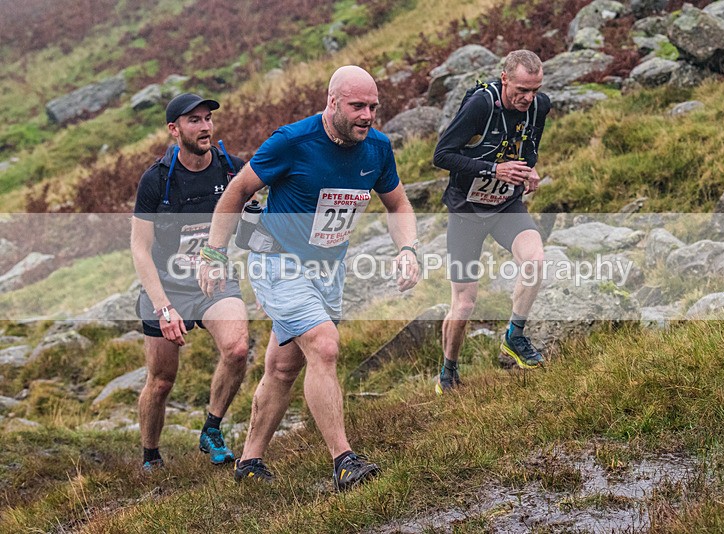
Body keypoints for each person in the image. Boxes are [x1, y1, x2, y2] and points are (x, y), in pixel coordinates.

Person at [198, 66, 420, 491]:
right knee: (324, 344)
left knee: (283, 367)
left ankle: (249, 461)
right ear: (333, 102)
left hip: (327, 269)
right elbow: (237, 191)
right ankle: (345, 461)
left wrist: (407, 249)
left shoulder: (377, 148)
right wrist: (213, 253)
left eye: (373, 106)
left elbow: (399, 204)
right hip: (277, 262)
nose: (367, 115)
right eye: (357, 106)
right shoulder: (292, 142)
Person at [130, 93, 249, 470]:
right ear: (173, 129)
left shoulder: (231, 168)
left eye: (207, 118)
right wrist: (163, 307)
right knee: (162, 380)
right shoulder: (157, 180)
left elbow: (273, 188)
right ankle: (151, 454)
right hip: (166, 287)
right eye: (194, 120)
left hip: (213, 282)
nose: (205, 126)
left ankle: (211, 428)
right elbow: (139, 249)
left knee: (238, 350)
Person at [432, 49, 552, 394]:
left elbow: (528, 150)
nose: (528, 98)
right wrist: (494, 169)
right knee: (465, 302)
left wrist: (528, 171)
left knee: (536, 261)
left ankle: (514, 337)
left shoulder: (539, 107)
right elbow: (442, 155)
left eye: (535, 90)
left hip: (504, 206)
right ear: (505, 80)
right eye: (521, 90)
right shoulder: (481, 106)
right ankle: (448, 371)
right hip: (467, 211)